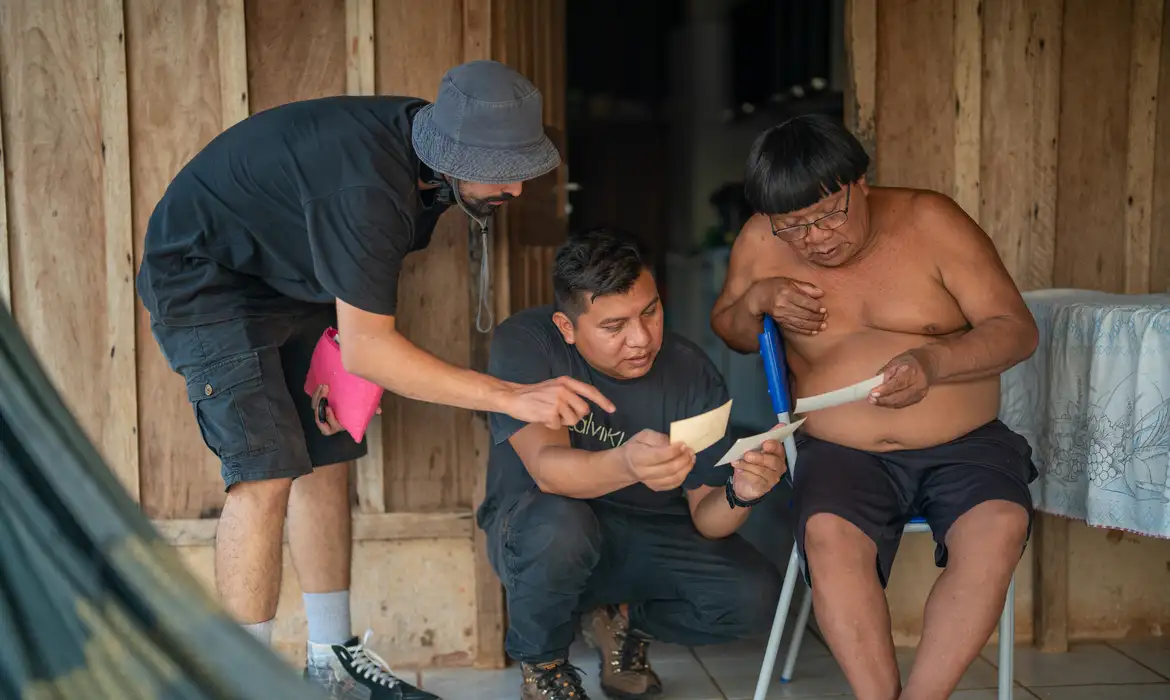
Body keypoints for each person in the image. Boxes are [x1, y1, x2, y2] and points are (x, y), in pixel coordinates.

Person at [137, 60, 614, 700]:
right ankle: (241, 682)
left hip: (287, 281)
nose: (518, 190)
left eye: (524, 170)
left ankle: (329, 662)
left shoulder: (432, 142)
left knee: (328, 453)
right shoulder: (369, 192)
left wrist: (346, 362)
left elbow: (354, 318)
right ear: (455, 151)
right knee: (267, 470)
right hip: (205, 284)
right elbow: (372, 348)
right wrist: (512, 395)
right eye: (504, 174)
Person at [710, 113, 1040, 700]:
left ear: (859, 181)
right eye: (795, 226)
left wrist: (934, 363)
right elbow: (732, 327)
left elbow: (1015, 330)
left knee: (999, 524)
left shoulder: (930, 221)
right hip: (840, 449)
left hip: (965, 441)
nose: (815, 238)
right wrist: (759, 298)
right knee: (829, 537)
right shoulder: (763, 240)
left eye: (829, 213)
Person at [477, 226, 787, 700]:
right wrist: (628, 462)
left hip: (648, 534)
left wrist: (741, 493)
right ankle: (543, 668)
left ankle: (622, 622)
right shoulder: (528, 343)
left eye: (650, 312)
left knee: (753, 596)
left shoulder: (689, 371)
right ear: (567, 327)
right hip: (540, 530)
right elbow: (548, 469)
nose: (641, 339)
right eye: (613, 326)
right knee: (561, 524)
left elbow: (708, 519)